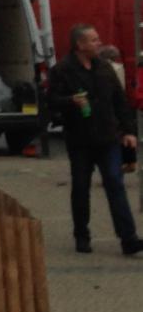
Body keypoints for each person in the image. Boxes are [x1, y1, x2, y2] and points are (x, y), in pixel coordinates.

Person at [48, 23, 141, 256]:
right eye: (94, 40)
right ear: (80, 44)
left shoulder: (104, 67)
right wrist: (71, 101)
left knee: (115, 183)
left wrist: (129, 131)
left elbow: (120, 101)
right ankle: (82, 235)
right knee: (81, 187)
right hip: (80, 140)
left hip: (108, 138)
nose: (99, 43)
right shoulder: (62, 70)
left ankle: (128, 238)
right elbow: (51, 101)